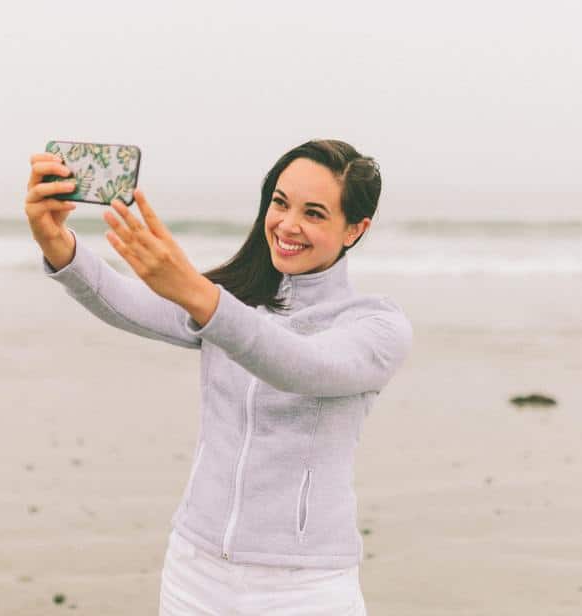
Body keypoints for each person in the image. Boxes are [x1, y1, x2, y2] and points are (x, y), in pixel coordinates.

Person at [25, 139, 413, 615]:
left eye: (314, 213)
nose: (288, 225)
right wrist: (57, 244)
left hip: (304, 588)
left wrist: (196, 293)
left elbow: (297, 365)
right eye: (280, 203)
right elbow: (126, 302)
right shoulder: (235, 303)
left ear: (356, 228)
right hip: (195, 573)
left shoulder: (375, 326)